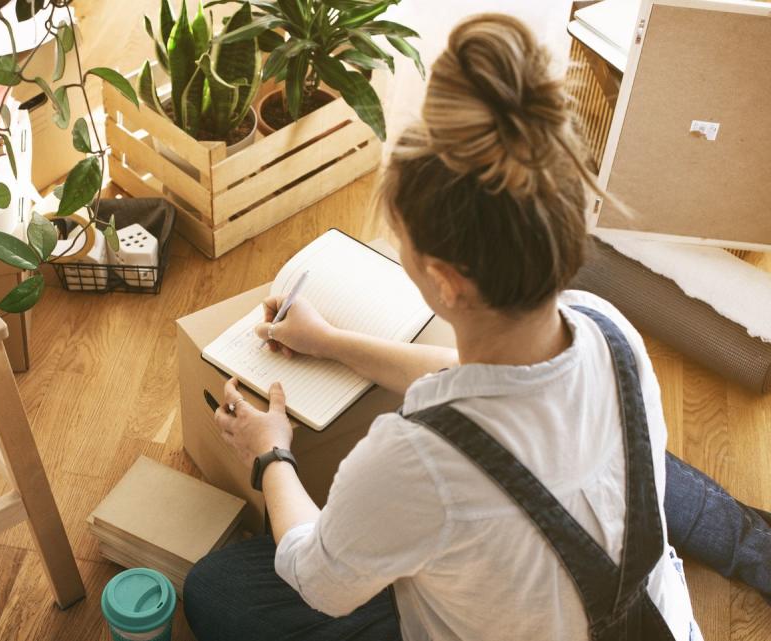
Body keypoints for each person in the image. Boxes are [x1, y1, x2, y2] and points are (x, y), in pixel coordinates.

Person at [183, 13, 771, 641]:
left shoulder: (411, 459)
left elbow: (316, 580)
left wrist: (269, 452)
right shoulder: (609, 330)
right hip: (655, 623)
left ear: (446, 279)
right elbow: (480, 386)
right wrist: (329, 342)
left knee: (217, 590)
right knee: (598, 447)